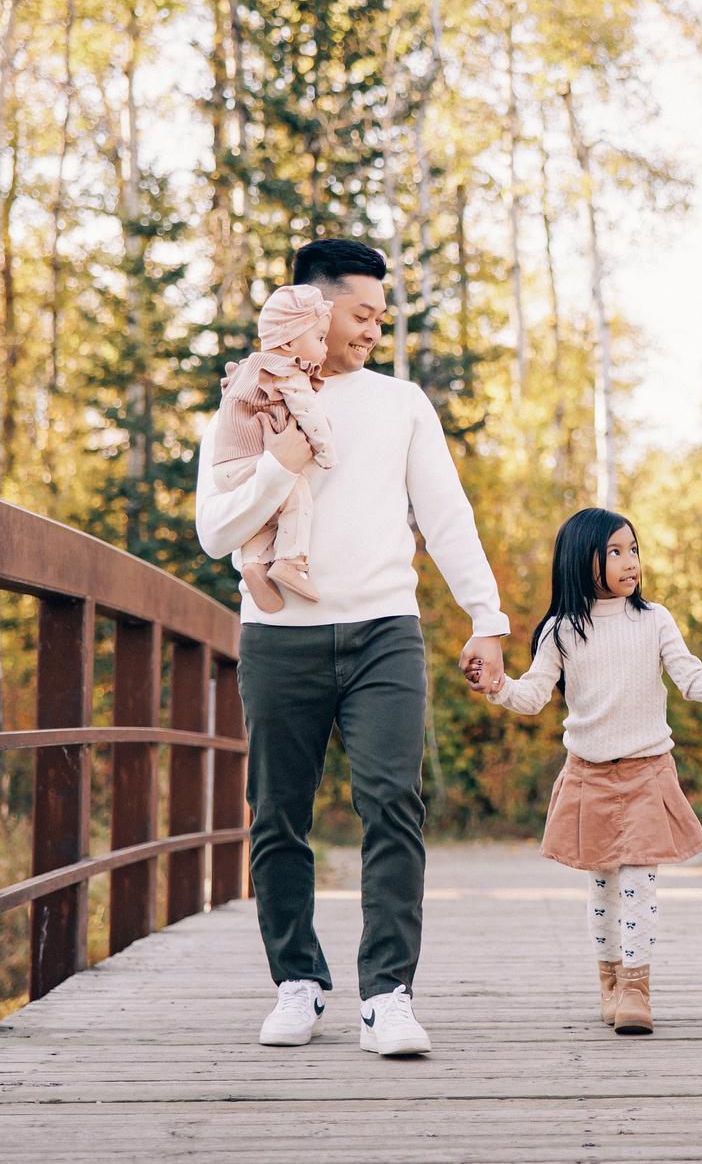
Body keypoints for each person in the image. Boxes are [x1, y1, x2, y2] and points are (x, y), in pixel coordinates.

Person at [194, 238, 509, 1056]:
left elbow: (446, 515)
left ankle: (388, 994)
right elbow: (213, 529)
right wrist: (277, 468)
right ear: (312, 308)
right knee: (278, 817)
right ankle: (296, 982)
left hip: (383, 633)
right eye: (360, 314)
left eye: (380, 316)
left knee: (393, 805)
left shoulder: (400, 402)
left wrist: (487, 616)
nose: (372, 329)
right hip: (277, 638)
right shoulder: (246, 399)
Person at [473, 508, 702, 1036]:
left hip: (646, 770)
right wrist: (496, 686)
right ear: (581, 561)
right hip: (589, 773)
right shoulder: (563, 631)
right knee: (603, 884)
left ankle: (636, 987)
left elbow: (688, 675)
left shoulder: (654, 619)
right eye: (615, 552)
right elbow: (532, 696)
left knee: (638, 880)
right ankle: (609, 982)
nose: (630, 561)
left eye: (633, 549)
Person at [205, 283, 337, 611]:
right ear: (290, 340)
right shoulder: (286, 370)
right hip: (251, 461)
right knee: (297, 493)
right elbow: (308, 412)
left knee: (264, 511)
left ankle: (253, 563)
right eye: (319, 339)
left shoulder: (247, 369)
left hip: (225, 469)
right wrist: (326, 450)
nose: (324, 350)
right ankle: (291, 561)